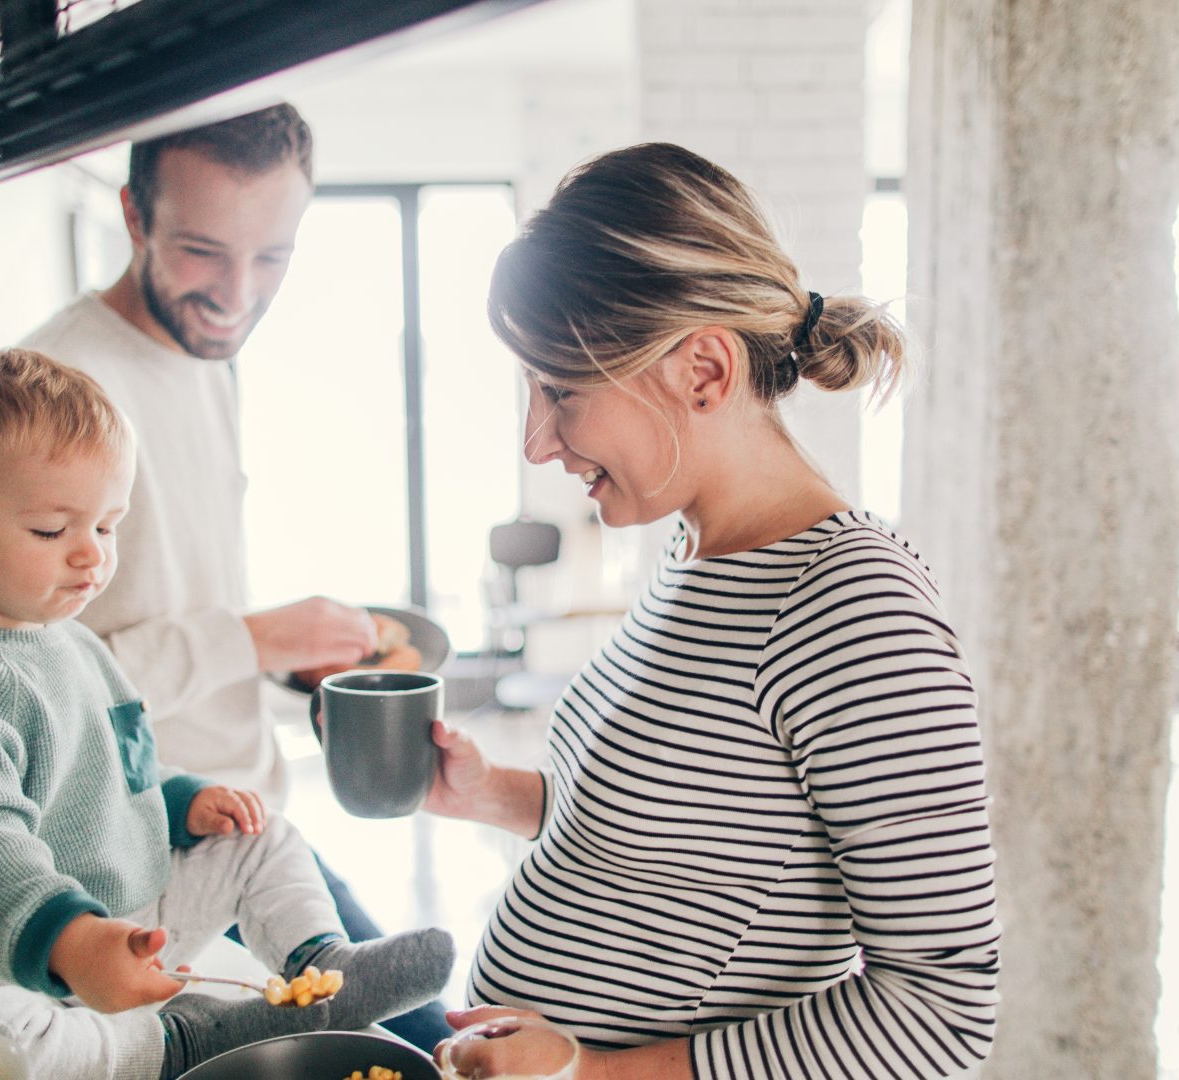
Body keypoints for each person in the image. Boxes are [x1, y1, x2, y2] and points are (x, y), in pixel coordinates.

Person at [422, 143, 1002, 1078]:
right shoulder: (696, 552)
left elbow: (941, 1012)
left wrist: (593, 1075)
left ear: (702, 371)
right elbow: (681, 852)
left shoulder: (855, 611)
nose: (537, 441)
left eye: (560, 391)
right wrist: (493, 792)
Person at [0, 104, 451, 1049]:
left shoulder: (200, 359)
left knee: (429, 1036)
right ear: (133, 216)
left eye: (271, 256)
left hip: (227, 814)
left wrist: (287, 672)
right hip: (124, 867)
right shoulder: (55, 387)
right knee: (408, 1046)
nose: (237, 293)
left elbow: (154, 608)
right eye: (204, 251)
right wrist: (251, 637)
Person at [0, 348, 453, 1080]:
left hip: (121, 922)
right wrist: (71, 942)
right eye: (53, 531)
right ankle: (180, 1043)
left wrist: (182, 802)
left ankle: (318, 963)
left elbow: (120, 767)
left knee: (262, 836)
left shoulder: (71, 642)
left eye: (107, 528)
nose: (91, 559)